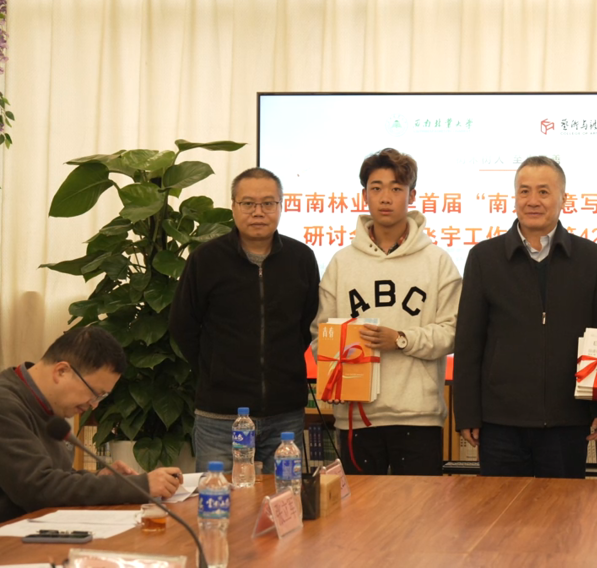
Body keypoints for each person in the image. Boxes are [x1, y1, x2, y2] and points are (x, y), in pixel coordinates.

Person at [454, 156, 597, 478]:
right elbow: (468, 342)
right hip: (500, 421)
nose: (533, 201)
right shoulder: (484, 258)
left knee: (561, 510)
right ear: (514, 197)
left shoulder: (591, 258)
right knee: (501, 508)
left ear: (563, 199)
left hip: (567, 420)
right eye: (524, 191)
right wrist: (467, 413)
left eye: (544, 192)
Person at [311, 148, 460, 475]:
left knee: (421, 509)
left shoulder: (437, 261)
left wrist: (402, 339)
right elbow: (321, 334)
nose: (385, 197)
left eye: (396, 188)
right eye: (376, 188)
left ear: (412, 195)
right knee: (359, 509)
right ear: (364, 195)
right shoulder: (341, 262)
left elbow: (452, 332)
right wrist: (336, 376)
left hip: (418, 416)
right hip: (357, 417)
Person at [170, 168, 320, 473]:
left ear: (281, 206)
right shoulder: (206, 259)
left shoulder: (301, 258)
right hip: (220, 416)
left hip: (284, 415)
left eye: (268, 203)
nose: (258, 212)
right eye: (248, 203)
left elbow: (307, 324)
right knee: (219, 496)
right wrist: (215, 369)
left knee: (284, 498)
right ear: (233, 206)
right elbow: (183, 325)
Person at [0, 327, 182, 522]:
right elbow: (38, 488)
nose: (94, 405)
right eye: (95, 393)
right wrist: (139, 486)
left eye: (101, 397)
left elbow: (56, 475)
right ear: (61, 371)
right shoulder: (5, 405)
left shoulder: (47, 404)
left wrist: (100, 478)